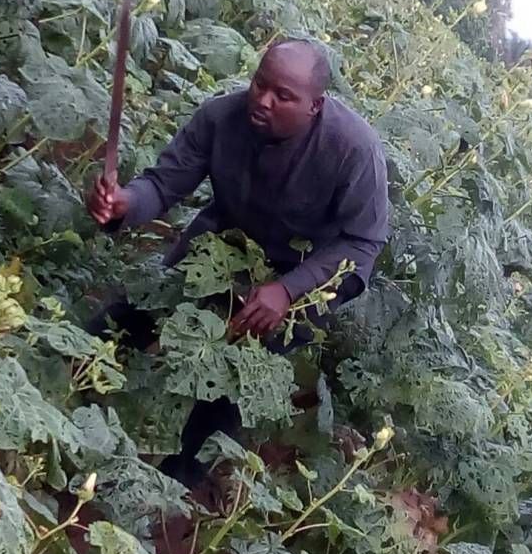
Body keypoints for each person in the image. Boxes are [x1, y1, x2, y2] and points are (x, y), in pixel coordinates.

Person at [86, 38, 389, 483]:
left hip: (301, 279)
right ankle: (70, 389)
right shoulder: (221, 117)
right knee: (138, 311)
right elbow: (164, 183)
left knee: (231, 381)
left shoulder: (353, 151)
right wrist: (124, 203)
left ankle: (177, 486)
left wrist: (287, 290)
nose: (264, 101)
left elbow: (362, 243)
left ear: (315, 105)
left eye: (283, 96)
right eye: (260, 85)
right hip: (219, 248)